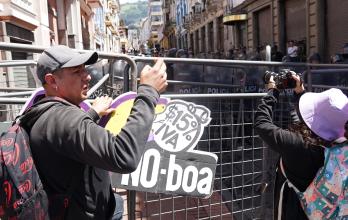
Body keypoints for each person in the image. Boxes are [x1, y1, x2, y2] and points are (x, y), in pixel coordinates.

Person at [26, 45, 168, 219]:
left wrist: (91, 114)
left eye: (85, 69)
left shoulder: (45, 111)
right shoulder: (64, 118)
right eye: (77, 72)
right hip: (84, 213)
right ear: (52, 81)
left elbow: (67, 137)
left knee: (117, 204)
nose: (88, 76)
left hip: (83, 207)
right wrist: (148, 92)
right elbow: (124, 155)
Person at [254, 73, 325, 220]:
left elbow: (262, 123)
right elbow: (300, 120)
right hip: (320, 207)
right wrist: (300, 91)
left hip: (291, 208)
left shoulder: (294, 142)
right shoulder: (336, 141)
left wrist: (272, 92)